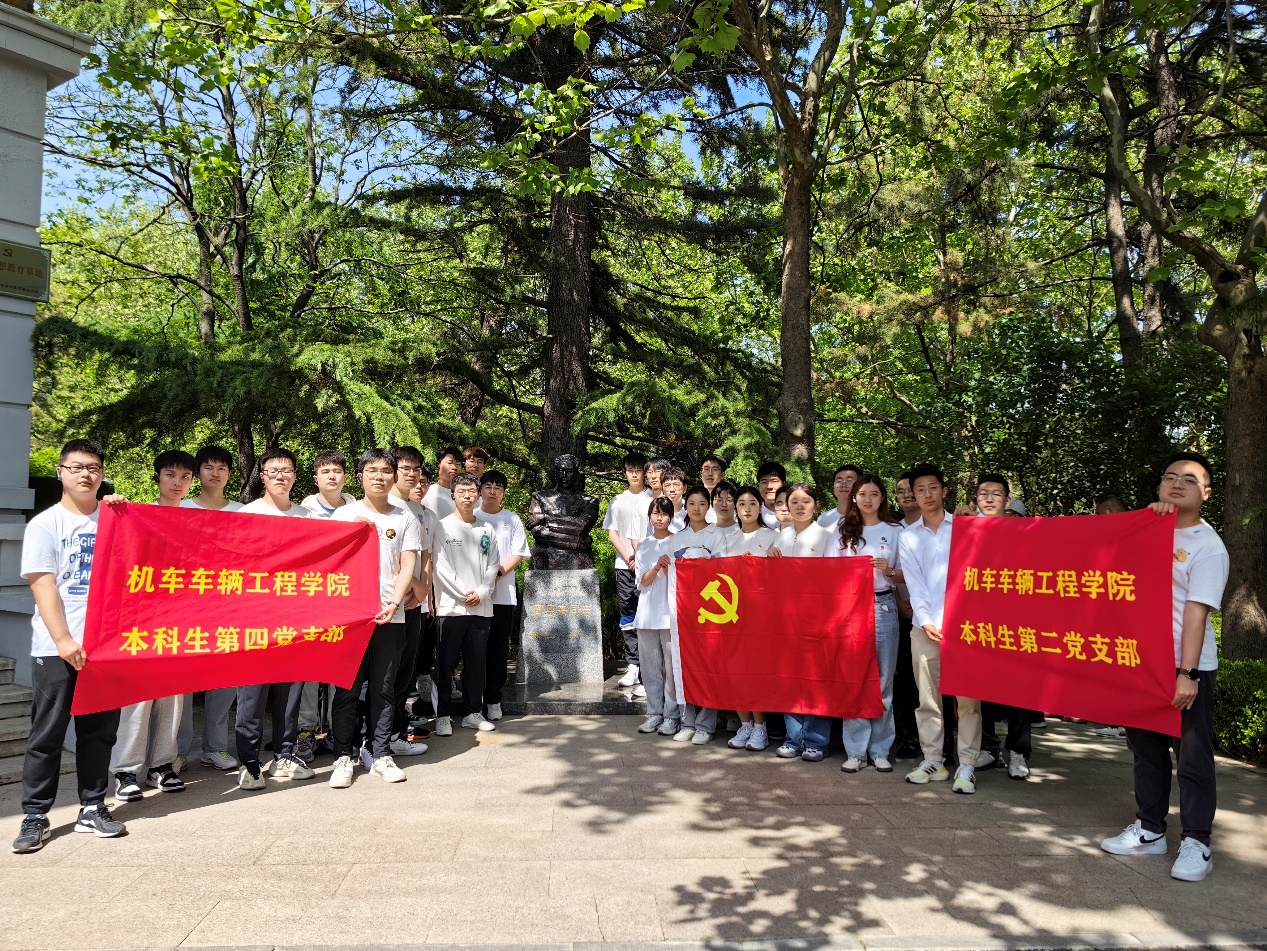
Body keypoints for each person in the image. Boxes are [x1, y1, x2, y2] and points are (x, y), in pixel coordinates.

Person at [1100, 452, 1228, 883]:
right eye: (1170, 477)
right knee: (1145, 750)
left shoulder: (1208, 546)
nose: (1176, 484)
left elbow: (1196, 613)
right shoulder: (1147, 530)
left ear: (1206, 493)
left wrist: (1187, 674)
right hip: (1142, 660)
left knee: (1191, 756)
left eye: (1189, 480)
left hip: (1185, 665)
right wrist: (1144, 519)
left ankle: (1197, 841)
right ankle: (1150, 829)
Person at [12, 440, 127, 853]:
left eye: (93, 467)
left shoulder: (116, 519)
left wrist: (124, 510)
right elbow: (42, 585)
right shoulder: (45, 525)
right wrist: (63, 639)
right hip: (55, 647)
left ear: (102, 473)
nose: (85, 474)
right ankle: (35, 815)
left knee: (100, 733)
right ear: (61, 472)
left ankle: (93, 807)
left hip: (105, 647)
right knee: (47, 734)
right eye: (76, 467)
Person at [328, 449, 422, 787]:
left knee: (384, 689)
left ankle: (380, 753)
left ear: (394, 476)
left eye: (385, 471)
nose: (378, 477)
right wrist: (351, 532)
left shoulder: (405, 518)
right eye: (371, 471)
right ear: (360, 477)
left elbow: (408, 565)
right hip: (350, 619)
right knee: (347, 690)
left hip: (389, 616)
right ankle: (343, 756)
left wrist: (395, 603)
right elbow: (329, 562)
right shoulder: (343, 515)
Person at [110, 450, 194, 802]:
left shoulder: (197, 521)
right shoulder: (138, 516)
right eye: (170, 475)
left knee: (172, 698)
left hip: (182, 621)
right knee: (138, 699)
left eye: (185, 477)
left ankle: (162, 765)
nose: (178, 482)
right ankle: (126, 770)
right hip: (142, 622)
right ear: (157, 477)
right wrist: (112, 506)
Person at [898, 463, 983, 794]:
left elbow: (985, 562)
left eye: (933, 487)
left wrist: (975, 520)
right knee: (928, 698)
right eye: (920, 489)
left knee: (969, 701)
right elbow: (915, 582)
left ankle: (968, 763)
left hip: (966, 627)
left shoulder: (962, 526)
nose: (927, 494)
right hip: (926, 627)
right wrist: (926, 619)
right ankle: (933, 758)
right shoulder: (908, 536)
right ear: (913, 495)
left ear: (944, 491)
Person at [235, 448, 316, 789]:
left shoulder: (308, 517)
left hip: (296, 618)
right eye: (273, 471)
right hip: (256, 618)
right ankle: (249, 763)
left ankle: (284, 755)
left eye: (286, 470)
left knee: (291, 693)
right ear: (263, 477)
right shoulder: (247, 514)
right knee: (252, 695)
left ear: (295, 476)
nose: (280, 476)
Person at [832, 474, 903, 774]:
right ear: (855, 498)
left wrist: (889, 571)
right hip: (851, 609)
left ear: (882, 498)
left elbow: (907, 574)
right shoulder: (842, 530)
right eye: (862, 494)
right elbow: (830, 571)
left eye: (874, 494)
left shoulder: (895, 531)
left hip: (883, 604)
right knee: (855, 680)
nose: (868, 499)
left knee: (883, 681)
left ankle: (880, 749)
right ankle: (855, 751)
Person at [180, 445, 244, 772]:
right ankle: (176, 751)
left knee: (225, 680)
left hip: (229, 607)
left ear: (230, 473)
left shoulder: (243, 512)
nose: (215, 473)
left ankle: (215, 748)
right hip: (185, 608)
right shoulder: (178, 507)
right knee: (181, 684)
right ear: (197, 472)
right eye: (208, 467)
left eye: (222, 468)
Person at [972, 474, 1034, 781]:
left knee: (1018, 691)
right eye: (983, 493)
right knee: (979, 688)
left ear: (1007, 500)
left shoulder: (1026, 534)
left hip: (1016, 622)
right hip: (978, 622)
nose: (989, 498)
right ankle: (988, 747)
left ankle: (1018, 752)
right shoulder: (966, 531)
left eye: (996, 494)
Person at [296, 450, 354, 762]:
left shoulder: (357, 508)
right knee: (309, 669)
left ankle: (335, 730)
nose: (332, 476)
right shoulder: (304, 510)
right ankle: (305, 731)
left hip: (345, 599)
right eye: (325, 471)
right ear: (315, 477)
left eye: (337, 471)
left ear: (346, 476)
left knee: (338, 669)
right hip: (311, 600)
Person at [431, 472, 501, 736]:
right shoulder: (442, 527)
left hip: (481, 607)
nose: (467, 496)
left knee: (476, 663)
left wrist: (481, 592)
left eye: (472, 491)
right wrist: (464, 594)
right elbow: (441, 567)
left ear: (478, 494)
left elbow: (493, 564)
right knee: (445, 664)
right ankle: (442, 715)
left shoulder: (486, 528)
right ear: (453, 495)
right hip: (451, 607)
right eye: (461, 492)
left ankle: (473, 712)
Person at [773, 483, 834, 761]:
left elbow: (833, 578)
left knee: (816, 679)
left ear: (816, 505)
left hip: (816, 618)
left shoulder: (826, 537)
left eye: (805, 501)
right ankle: (793, 738)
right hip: (786, 619)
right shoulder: (781, 538)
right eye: (794, 501)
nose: (799, 506)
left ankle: (816, 741)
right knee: (790, 678)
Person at [722, 486, 783, 753]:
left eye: (752, 503)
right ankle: (744, 723)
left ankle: (760, 727)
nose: (746, 509)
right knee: (734, 670)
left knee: (755, 670)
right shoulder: (728, 538)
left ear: (760, 507)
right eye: (741, 504)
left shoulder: (772, 536)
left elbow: (780, 577)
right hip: (732, 613)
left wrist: (763, 565)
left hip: (760, 614)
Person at [385, 446, 435, 758]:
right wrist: (415, 587)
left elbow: (425, 556)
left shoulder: (418, 510)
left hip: (414, 604)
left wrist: (423, 590)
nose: (413, 474)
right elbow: (388, 562)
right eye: (406, 468)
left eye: (417, 469)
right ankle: (376, 738)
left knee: (405, 674)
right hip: (389, 602)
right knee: (384, 676)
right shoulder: (384, 505)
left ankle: (395, 733)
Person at [671, 486, 727, 744]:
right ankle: (688, 722)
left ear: (709, 506)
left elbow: (725, 571)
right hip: (684, 611)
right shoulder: (677, 538)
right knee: (686, 665)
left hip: (710, 610)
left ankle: (706, 725)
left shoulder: (717, 535)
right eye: (692, 503)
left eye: (702, 503)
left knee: (709, 666)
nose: (696, 508)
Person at [475, 470, 531, 720]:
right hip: (474, 595)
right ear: (480, 490)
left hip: (503, 595)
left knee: (498, 649)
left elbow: (519, 553)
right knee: (475, 649)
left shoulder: (512, 519)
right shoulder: (472, 515)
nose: (492, 491)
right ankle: (474, 699)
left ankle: (494, 699)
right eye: (488, 486)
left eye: (498, 487)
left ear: (504, 493)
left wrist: (496, 573)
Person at [603, 452, 651, 691]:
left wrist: (640, 558)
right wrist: (629, 556)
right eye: (630, 470)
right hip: (624, 565)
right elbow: (612, 533)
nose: (634, 475)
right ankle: (633, 664)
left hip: (650, 568)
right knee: (628, 613)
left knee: (648, 614)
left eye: (638, 470)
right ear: (625, 472)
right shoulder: (617, 501)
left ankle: (649, 666)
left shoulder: (653, 498)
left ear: (645, 473)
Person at [633, 497, 680, 737]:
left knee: (671, 669)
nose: (659, 518)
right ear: (650, 516)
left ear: (671, 516)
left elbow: (683, 582)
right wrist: (656, 567)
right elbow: (642, 581)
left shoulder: (679, 541)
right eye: (655, 513)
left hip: (670, 614)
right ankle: (654, 713)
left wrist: (669, 567)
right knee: (650, 668)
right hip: (647, 613)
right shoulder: (643, 545)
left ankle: (672, 716)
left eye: (664, 513)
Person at [891, 471, 922, 759]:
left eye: (911, 489)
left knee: (934, 682)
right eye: (901, 491)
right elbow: (888, 571)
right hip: (901, 612)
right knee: (905, 680)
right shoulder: (894, 529)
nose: (907, 495)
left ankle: (942, 743)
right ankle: (909, 735)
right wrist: (900, 602)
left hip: (934, 617)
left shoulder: (944, 526)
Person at [301, 450, 356, 517]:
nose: (331, 477)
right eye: (325, 472)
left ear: (345, 478)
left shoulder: (357, 511)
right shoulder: (304, 514)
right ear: (316, 479)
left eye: (337, 471)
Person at [818, 464, 862, 532]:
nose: (843, 484)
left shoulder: (867, 518)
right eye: (839, 481)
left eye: (849, 480)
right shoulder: (823, 519)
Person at [423, 446, 462, 518]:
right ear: (438, 464)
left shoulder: (466, 494)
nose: (454, 467)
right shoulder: (426, 492)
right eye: (450, 463)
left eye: (458, 464)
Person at [756, 462, 786, 529]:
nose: (769, 487)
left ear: (784, 484)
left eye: (774, 481)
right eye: (764, 482)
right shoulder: (753, 514)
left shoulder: (795, 512)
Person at [659, 467, 688, 532]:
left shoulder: (692, 513)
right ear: (662, 490)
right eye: (667, 485)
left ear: (684, 489)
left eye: (676, 485)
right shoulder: (655, 513)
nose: (672, 489)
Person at [700, 454, 727, 522]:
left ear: (723, 475)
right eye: (706, 469)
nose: (710, 474)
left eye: (715, 469)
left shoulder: (730, 502)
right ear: (701, 473)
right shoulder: (692, 501)